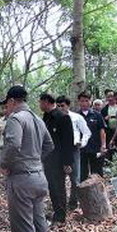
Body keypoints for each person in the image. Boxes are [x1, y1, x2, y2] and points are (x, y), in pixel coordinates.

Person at [0, 85, 54, 232]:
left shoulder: (16, 118)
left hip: (22, 178)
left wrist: (4, 164)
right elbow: (49, 145)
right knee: (38, 220)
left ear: (13, 101)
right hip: (39, 177)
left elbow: (13, 144)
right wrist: (35, 160)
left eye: (8, 103)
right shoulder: (38, 119)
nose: (8, 107)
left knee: (23, 224)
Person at [39, 93, 74, 224]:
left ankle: (61, 216)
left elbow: (67, 142)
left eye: (41, 102)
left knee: (59, 187)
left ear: (46, 102)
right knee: (52, 187)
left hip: (59, 160)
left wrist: (67, 162)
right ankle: (56, 212)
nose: (40, 105)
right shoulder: (46, 117)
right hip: (48, 159)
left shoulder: (63, 117)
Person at [56, 95, 92, 210]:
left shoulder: (76, 117)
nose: (61, 108)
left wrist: (82, 143)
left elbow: (87, 132)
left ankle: (73, 203)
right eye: (58, 106)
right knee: (58, 178)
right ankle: (60, 203)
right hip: (59, 150)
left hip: (74, 149)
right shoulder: (55, 118)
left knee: (75, 178)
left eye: (63, 105)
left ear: (68, 105)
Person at [78, 92, 106, 181]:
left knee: (97, 173)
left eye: (86, 101)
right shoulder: (76, 116)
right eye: (82, 101)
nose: (84, 103)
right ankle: (84, 194)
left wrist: (103, 145)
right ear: (79, 102)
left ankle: (100, 193)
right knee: (82, 174)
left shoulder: (97, 115)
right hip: (81, 149)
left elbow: (102, 131)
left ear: (90, 101)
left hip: (95, 148)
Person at [101, 90, 117, 160]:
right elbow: (101, 121)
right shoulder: (104, 109)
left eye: (112, 96)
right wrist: (105, 119)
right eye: (108, 97)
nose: (110, 98)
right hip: (109, 131)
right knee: (109, 147)